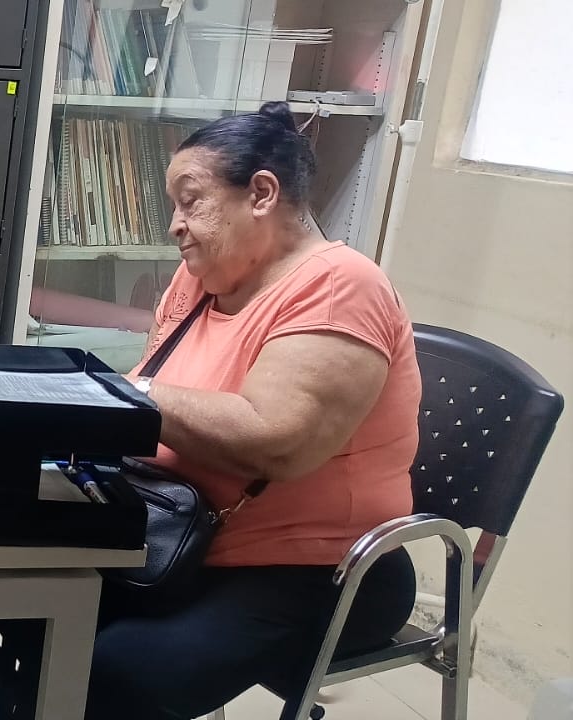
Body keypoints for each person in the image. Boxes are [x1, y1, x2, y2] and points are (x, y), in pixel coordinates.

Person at [88, 102, 420, 719]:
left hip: (316, 568)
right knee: (17, 595)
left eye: (191, 202)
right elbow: (154, 400)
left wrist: (119, 392)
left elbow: (276, 443)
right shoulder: (202, 279)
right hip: (177, 529)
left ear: (261, 194)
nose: (175, 225)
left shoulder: (338, 286)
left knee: (115, 670)